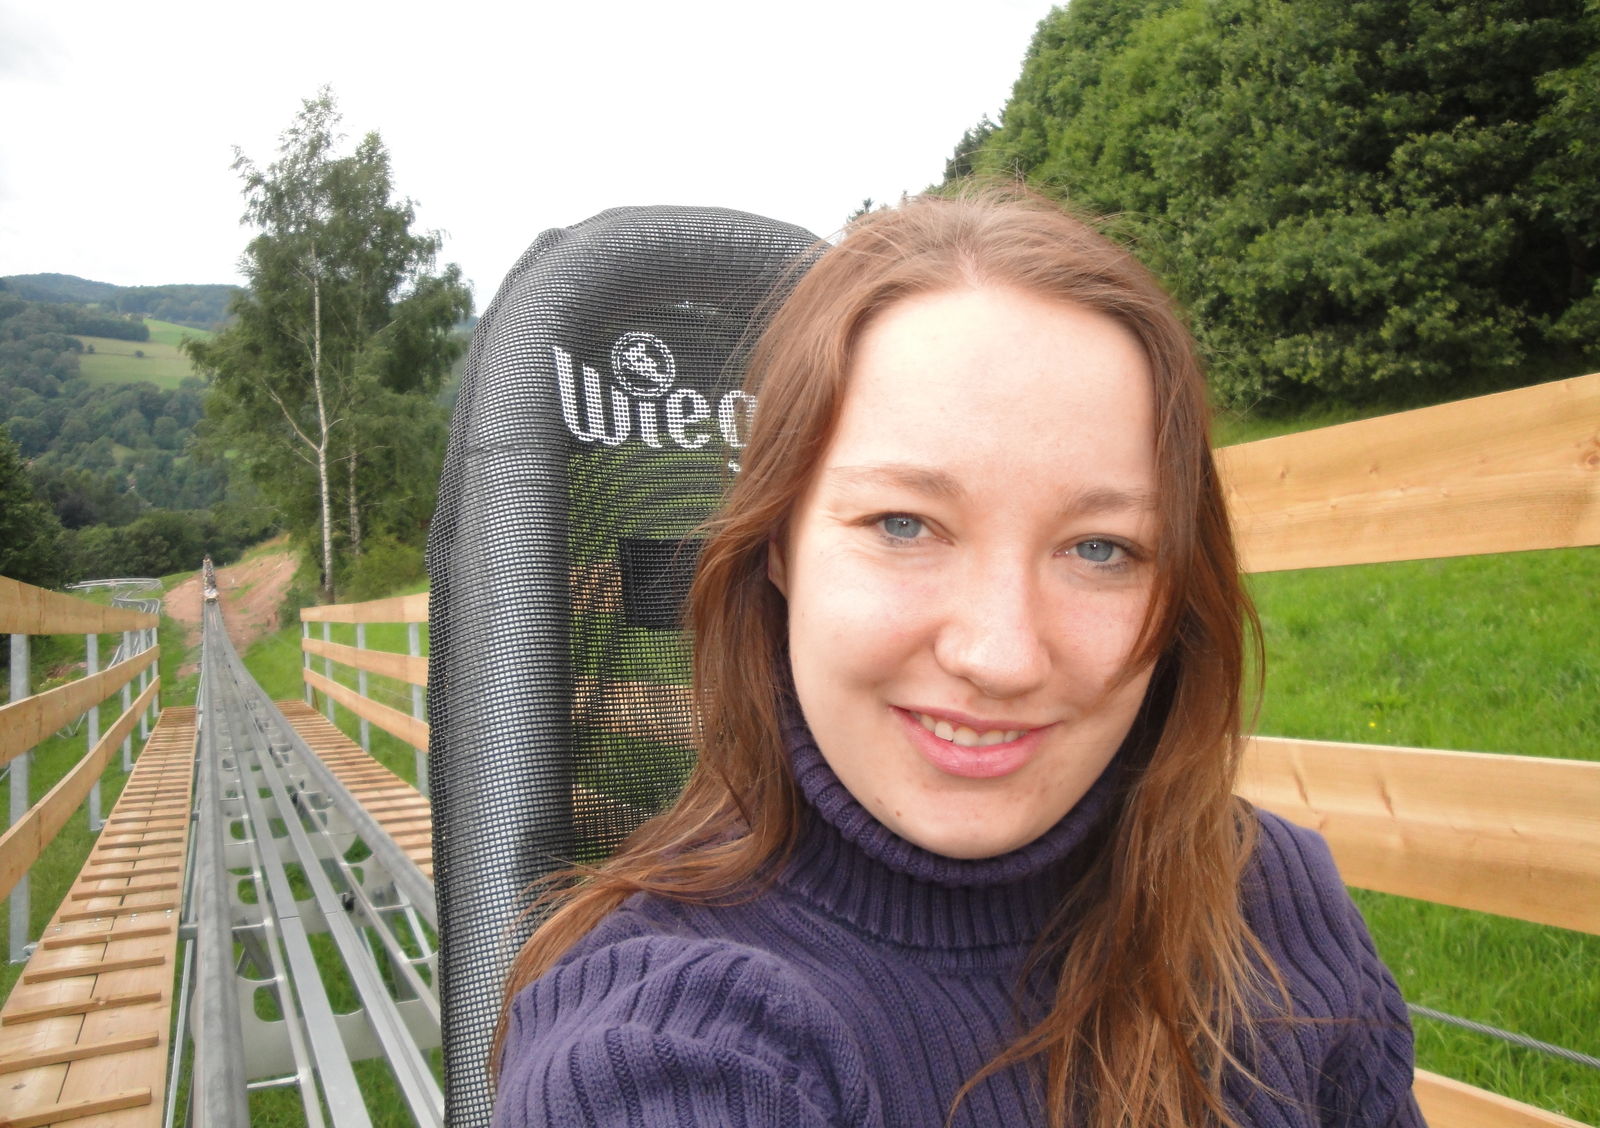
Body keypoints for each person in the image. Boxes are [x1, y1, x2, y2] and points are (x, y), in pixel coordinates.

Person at [493, 190, 1422, 1127]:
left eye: (1100, 547)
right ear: (778, 544)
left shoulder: (1270, 895)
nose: (1001, 656)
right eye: (904, 524)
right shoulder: (669, 1043)